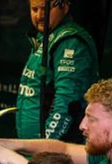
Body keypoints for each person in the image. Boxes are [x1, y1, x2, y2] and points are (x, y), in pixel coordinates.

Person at [17, 0, 98, 144]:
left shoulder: (70, 42)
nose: (39, 15)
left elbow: (67, 103)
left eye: (45, 9)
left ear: (65, 7)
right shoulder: (42, 38)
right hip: (33, 145)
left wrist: (43, 146)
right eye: (34, 9)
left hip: (54, 150)